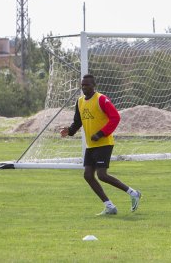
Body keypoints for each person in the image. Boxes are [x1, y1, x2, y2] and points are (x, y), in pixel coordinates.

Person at [60, 74, 141, 215]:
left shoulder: (101, 99)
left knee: (102, 175)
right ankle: (109, 206)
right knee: (88, 175)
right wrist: (70, 130)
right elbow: (78, 122)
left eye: (87, 85)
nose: (84, 87)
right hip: (91, 146)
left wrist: (101, 133)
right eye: (82, 85)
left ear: (94, 86)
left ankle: (133, 193)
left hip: (104, 143)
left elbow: (115, 117)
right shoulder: (79, 102)